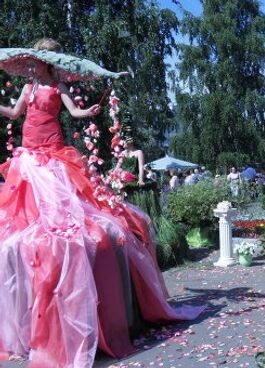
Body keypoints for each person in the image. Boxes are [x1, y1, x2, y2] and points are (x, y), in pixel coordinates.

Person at [0, 38, 203, 367]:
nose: (36, 65)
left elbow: (74, 111)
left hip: (52, 151)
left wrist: (88, 111)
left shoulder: (58, 85)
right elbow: (14, 113)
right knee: (23, 206)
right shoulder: (29, 86)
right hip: (28, 153)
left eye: (41, 60)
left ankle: (59, 229)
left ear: (49, 62)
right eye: (34, 60)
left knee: (62, 203)